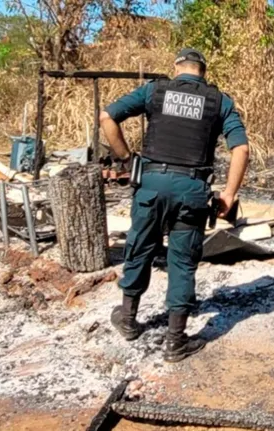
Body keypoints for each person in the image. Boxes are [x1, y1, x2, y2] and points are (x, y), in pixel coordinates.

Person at [99, 48, 249, 363]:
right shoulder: (218, 101)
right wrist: (230, 195)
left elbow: (107, 116)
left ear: (177, 68)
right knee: (182, 261)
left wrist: (126, 159)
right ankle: (175, 341)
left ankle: (127, 320)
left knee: (139, 247)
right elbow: (241, 149)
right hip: (192, 190)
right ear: (203, 72)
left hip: (151, 185)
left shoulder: (155, 90)